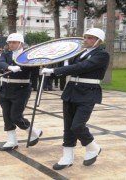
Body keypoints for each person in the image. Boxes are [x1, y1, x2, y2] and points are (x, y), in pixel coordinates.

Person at [41, 28, 109, 170]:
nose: (85, 40)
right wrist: (49, 66)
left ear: (99, 41)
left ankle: (92, 147)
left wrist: (55, 70)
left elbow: (81, 67)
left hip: (88, 93)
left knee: (77, 126)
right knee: (68, 128)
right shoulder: (79, 53)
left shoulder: (102, 55)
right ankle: (67, 157)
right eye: (85, 37)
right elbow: (66, 66)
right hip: (71, 91)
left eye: (90, 38)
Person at [0, 33, 42, 151]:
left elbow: (35, 71)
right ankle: (12, 141)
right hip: (5, 88)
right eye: (9, 42)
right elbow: (0, 63)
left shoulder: (28, 55)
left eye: (13, 42)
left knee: (16, 116)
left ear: (21, 44)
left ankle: (33, 131)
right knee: (7, 116)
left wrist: (39, 68)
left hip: (21, 89)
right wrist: (9, 67)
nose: (11, 45)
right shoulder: (6, 54)